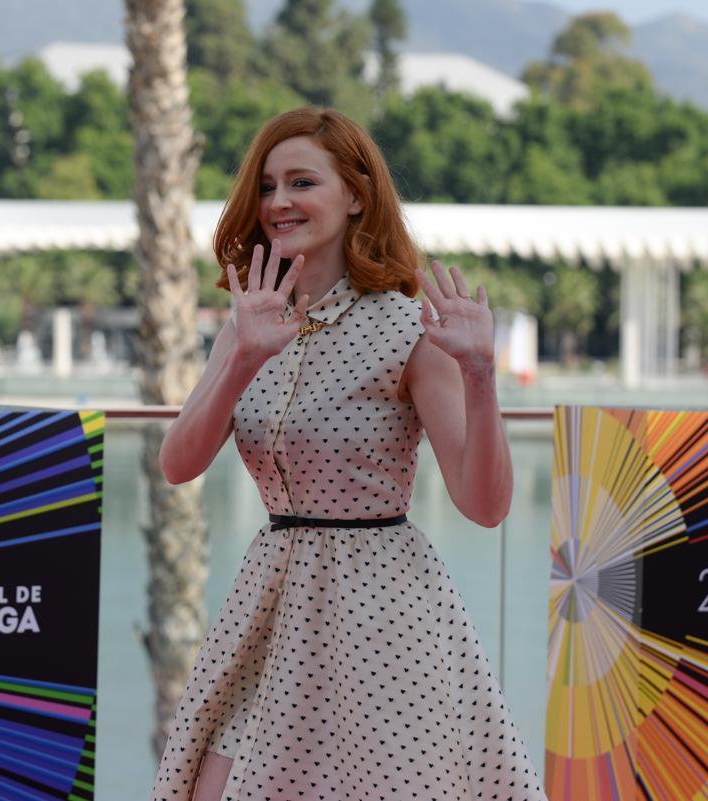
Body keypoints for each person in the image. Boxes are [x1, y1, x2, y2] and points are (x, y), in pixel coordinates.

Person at [152, 107, 546, 801]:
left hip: (385, 607)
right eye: (268, 186)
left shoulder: (411, 327)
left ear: (357, 193)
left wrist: (483, 375)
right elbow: (178, 463)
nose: (278, 202)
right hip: (271, 602)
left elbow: (485, 505)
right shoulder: (246, 323)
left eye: (301, 181)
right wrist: (242, 358)